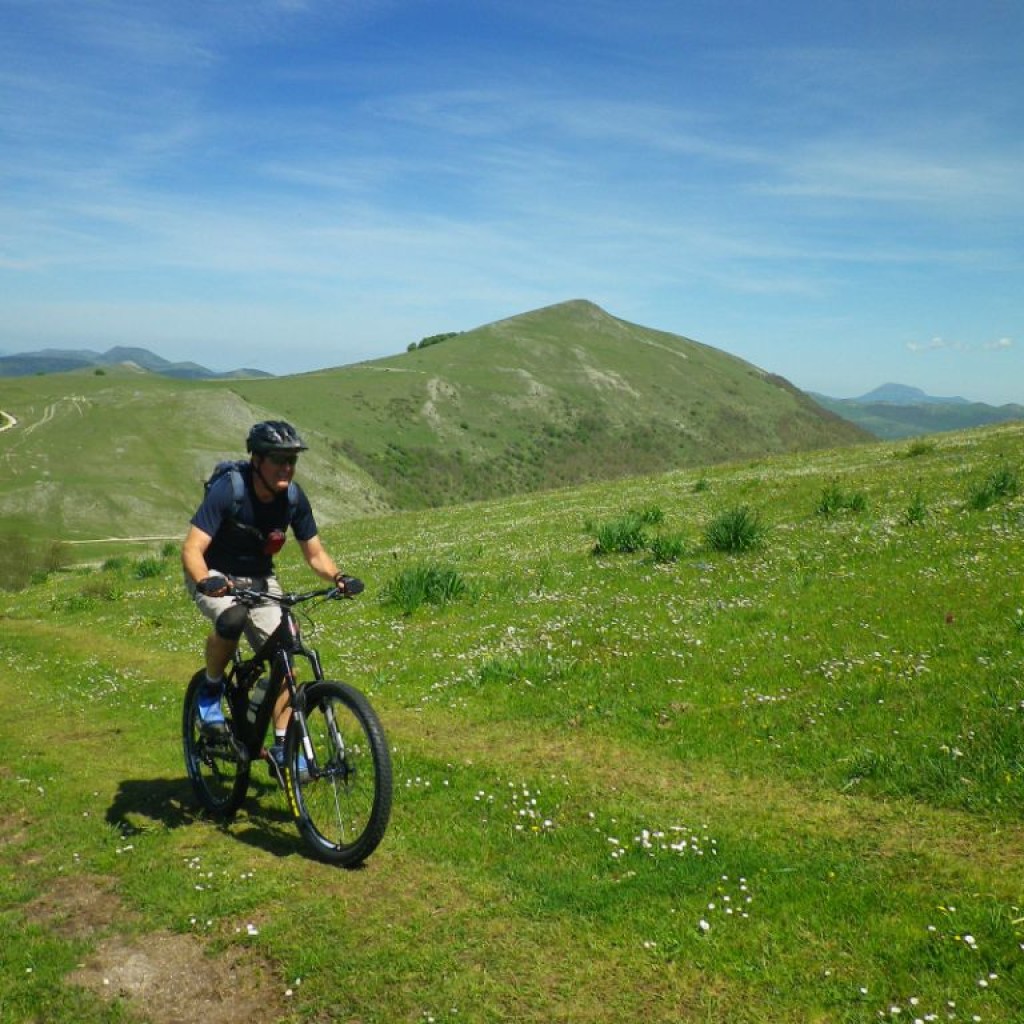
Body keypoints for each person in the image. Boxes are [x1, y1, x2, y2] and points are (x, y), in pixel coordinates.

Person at [181, 419, 354, 768]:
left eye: (292, 460)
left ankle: (281, 744)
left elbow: (315, 553)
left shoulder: (292, 498)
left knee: (286, 649)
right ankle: (211, 690)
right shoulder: (230, 490)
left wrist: (338, 576)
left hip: (260, 580)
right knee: (231, 617)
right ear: (257, 460)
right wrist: (205, 580)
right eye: (279, 459)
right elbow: (192, 549)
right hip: (215, 574)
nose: (287, 468)